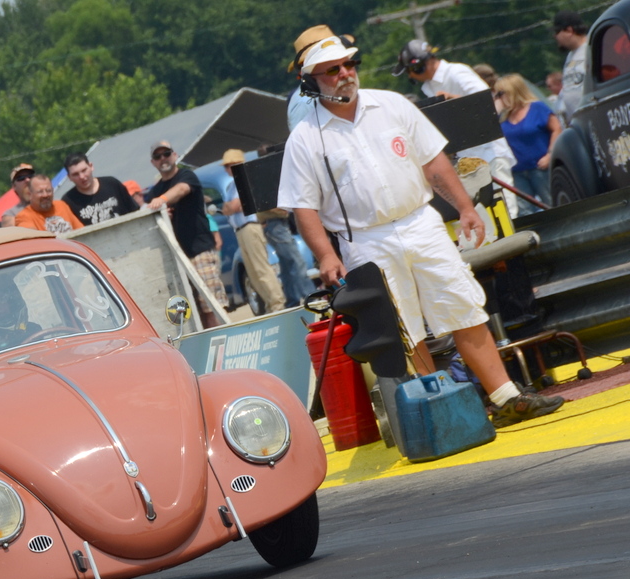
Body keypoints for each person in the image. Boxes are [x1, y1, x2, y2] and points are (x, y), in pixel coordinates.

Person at [277, 31, 564, 429]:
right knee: (402, 330)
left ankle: (507, 398)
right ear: (309, 81)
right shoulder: (305, 139)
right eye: (332, 70)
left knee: (463, 307)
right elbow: (303, 205)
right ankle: (439, 410)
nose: (345, 74)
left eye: (348, 64)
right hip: (365, 240)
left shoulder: (393, 105)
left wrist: (466, 207)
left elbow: (434, 161)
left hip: (420, 222)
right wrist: (326, 255)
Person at [395, 39, 519, 217]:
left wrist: (453, 98)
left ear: (417, 66)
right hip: (470, 158)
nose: (410, 76)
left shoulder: (456, 72)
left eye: (409, 71)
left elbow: (485, 101)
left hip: (489, 153)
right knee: (487, 215)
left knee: (507, 210)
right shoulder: (430, 86)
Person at [145, 140, 226, 327]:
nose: (163, 159)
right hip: (176, 258)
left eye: (166, 154)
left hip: (200, 250)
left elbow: (182, 189)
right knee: (191, 312)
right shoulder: (154, 191)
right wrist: (163, 211)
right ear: (153, 162)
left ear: (174, 155)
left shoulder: (186, 175)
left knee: (212, 305)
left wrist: (162, 201)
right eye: (157, 156)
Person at [220, 149, 286, 315]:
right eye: (228, 165)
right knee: (253, 272)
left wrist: (230, 207)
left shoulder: (245, 180)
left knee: (261, 268)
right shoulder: (231, 186)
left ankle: (277, 303)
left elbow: (232, 207)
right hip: (241, 230)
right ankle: (271, 305)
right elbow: (229, 208)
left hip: (250, 227)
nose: (230, 168)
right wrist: (230, 207)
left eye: (233, 164)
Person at [496, 73, 562, 215]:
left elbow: (557, 128)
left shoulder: (537, 108)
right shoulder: (502, 117)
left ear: (513, 91)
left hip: (540, 167)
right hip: (517, 171)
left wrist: (550, 155)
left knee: (551, 204)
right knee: (524, 211)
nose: (498, 97)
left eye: (501, 93)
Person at [61, 153, 138, 225]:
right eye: (75, 174)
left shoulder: (112, 184)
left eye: (84, 170)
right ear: (69, 177)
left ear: (91, 166)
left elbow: (135, 211)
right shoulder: (68, 201)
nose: (82, 177)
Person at [14, 174, 83, 233]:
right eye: (40, 192)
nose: (45, 195)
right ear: (30, 194)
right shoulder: (23, 216)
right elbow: (32, 241)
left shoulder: (61, 205)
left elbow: (81, 231)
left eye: (48, 190)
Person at [554, 10, 588, 126]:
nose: (555, 36)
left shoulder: (591, 48)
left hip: (592, 117)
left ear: (569, 30)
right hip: (576, 123)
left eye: (557, 31)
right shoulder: (570, 56)